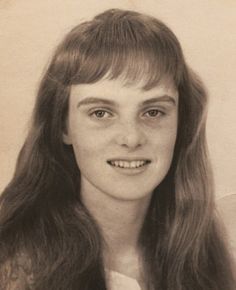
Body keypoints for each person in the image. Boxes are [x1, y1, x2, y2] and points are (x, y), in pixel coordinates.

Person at [0, 8, 235, 290]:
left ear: (181, 124)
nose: (131, 138)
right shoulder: (13, 267)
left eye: (153, 112)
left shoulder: (210, 258)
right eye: (101, 113)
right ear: (63, 127)